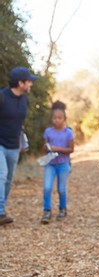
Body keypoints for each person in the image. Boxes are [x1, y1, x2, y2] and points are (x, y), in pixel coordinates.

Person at [0, 67, 38, 225]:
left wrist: (24, 141)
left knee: (8, 180)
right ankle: (0, 212)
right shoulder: (2, 96)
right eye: (29, 81)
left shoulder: (25, 100)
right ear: (20, 83)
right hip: (0, 143)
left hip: (14, 145)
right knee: (1, 174)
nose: (31, 84)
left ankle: (2, 208)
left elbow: (20, 123)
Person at [40, 101, 74, 224]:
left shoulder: (68, 133)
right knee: (47, 187)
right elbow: (44, 147)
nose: (56, 120)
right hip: (50, 163)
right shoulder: (48, 132)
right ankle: (47, 211)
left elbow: (71, 149)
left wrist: (57, 149)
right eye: (54, 118)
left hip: (63, 164)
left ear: (64, 119)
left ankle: (62, 209)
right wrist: (47, 147)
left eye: (59, 118)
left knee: (61, 189)